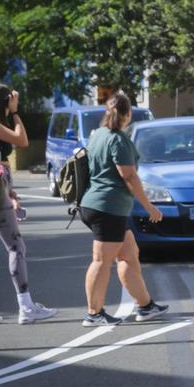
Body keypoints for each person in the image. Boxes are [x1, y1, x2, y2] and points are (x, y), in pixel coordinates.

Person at [0, 82, 58, 325]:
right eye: (9, 101)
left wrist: (10, 190)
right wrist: (15, 112)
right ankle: (26, 306)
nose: (12, 105)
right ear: (2, 102)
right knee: (16, 247)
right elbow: (22, 140)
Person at [79, 91, 168, 327]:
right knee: (101, 260)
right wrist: (149, 207)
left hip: (97, 204)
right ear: (128, 114)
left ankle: (145, 306)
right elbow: (128, 175)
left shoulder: (98, 135)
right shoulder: (117, 139)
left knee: (129, 255)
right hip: (108, 208)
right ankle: (94, 313)